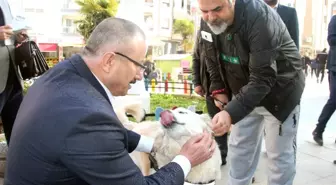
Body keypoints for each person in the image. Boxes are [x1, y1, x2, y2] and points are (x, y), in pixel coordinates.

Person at [5, 18, 215, 185]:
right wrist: (185, 159)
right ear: (109, 61)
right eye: (138, 65)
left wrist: (154, 145)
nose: (141, 75)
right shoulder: (86, 116)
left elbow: (102, 134)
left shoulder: (63, 75)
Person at [195, 0, 305, 185]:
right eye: (204, 11)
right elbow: (211, 57)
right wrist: (219, 89)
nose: (211, 18)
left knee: (279, 156)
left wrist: (230, 113)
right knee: (239, 151)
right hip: (244, 92)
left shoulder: (260, 16)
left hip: (281, 92)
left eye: (217, 9)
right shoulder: (207, 19)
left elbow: (263, 78)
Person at [192, 30, 229, 166]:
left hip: (233, 86)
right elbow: (196, 57)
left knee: (241, 128)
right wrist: (197, 82)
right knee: (217, 124)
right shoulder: (202, 32)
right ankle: (221, 156)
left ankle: (244, 165)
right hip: (209, 87)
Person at [0, 0, 26, 145]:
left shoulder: (7, 3)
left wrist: (17, 37)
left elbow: (7, 38)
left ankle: (18, 167)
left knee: (18, 134)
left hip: (13, 78)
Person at [312, 16, 336, 146]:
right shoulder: (335, 19)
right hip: (335, 67)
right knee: (334, 100)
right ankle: (319, 129)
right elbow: (332, 39)